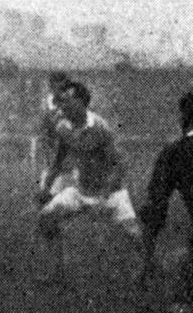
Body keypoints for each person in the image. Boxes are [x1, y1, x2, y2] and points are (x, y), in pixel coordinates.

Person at [36, 81, 149, 283]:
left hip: (110, 193)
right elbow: (58, 162)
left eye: (67, 101)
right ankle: (58, 274)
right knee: (47, 218)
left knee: (135, 235)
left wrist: (106, 191)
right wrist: (45, 188)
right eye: (60, 103)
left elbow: (120, 165)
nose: (62, 107)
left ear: (81, 102)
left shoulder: (100, 128)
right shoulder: (62, 127)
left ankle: (148, 270)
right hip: (81, 191)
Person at [138, 92, 193, 313]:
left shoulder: (175, 153)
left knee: (184, 272)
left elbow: (156, 208)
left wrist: (147, 258)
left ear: (184, 118)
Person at [36, 71, 73, 199]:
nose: (64, 90)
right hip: (54, 150)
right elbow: (46, 129)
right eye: (60, 87)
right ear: (52, 87)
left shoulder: (69, 102)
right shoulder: (50, 104)